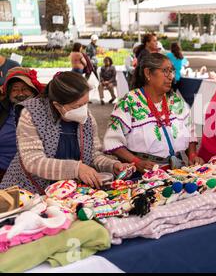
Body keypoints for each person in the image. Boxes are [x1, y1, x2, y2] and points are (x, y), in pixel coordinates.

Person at [0, 71, 130, 193]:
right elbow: (33, 161)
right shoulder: (32, 114)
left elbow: (94, 155)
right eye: (76, 106)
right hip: (27, 191)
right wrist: (76, 169)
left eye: (85, 104)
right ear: (57, 105)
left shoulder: (87, 119)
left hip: (65, 192)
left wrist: (112, 165)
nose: (83, 110)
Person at [103, 53, 203, 172]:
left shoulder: (176, 101)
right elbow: (113, 141)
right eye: (165, 71)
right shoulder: (128, 103)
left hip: (177, 171)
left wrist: (192, 155)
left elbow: (189, 131)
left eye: (172, 71)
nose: (171, 76)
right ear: (148, 73)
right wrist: (136, 162)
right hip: (143, 174)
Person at [0, 67, 44, 182]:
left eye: (25, 89)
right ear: (8, 92)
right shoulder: (3, 110)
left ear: (33, 91)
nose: (20, 94)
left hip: (34, 175)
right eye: (15, 89)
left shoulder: (44, 110)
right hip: (2, 171)